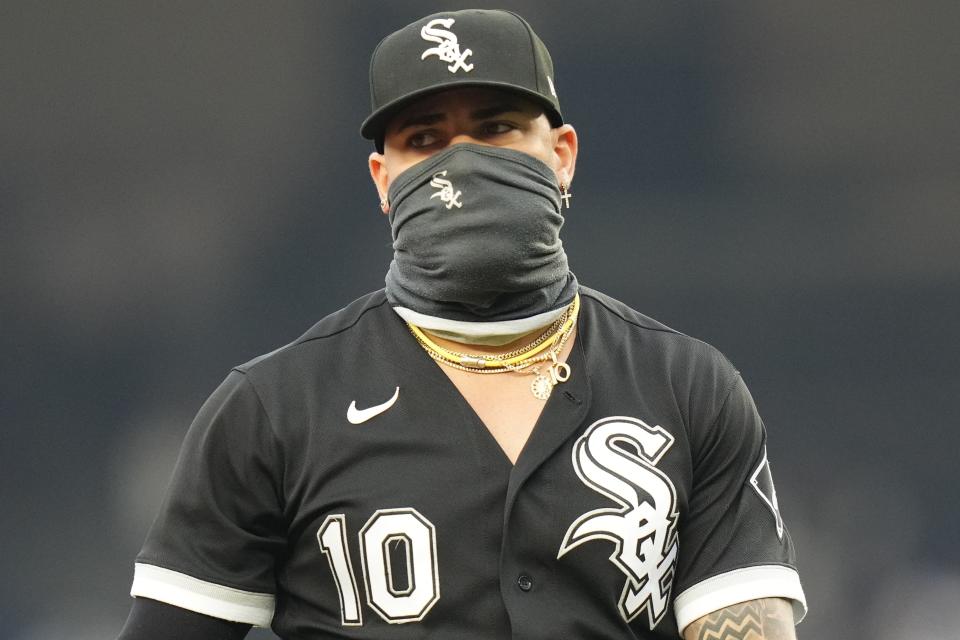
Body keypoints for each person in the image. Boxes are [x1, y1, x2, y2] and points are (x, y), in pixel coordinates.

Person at [117, 9, 806, 640]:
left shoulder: (686, 387)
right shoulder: (272, 409)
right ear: (383, 180)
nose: (462, 161)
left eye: (496, 126)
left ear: (562, 153)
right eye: (425, 138)